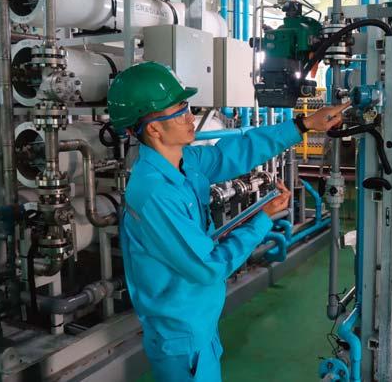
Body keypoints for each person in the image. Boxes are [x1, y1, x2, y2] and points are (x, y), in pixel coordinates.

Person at [107, 61, 348, 381]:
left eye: (186, 106)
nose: (190, 116)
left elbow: (237, 151)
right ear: (153, 128)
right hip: (182, 337)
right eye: (179, 110)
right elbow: (209, 267)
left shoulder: (185, 161)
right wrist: (262, 220)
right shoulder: (154, 193)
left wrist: (304, 125)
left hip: (199, 322)